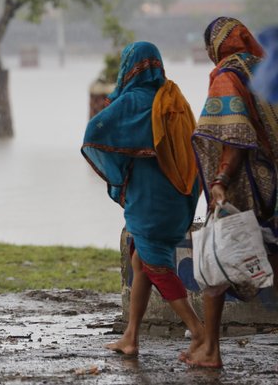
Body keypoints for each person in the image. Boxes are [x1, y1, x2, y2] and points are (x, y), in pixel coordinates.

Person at [82, 41, 203, 357]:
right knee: (140, 260)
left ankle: (200, 332)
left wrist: (122, 157)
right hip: (176, 195)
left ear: (129, 67)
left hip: (149, 199)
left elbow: (95, 131)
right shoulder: (173, 97)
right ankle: (131, 336)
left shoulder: (133, 101)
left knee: (156, 265)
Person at [187, 17, 278, 368]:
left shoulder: (227, 76)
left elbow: (234, 137)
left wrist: (220, 182)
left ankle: (210, 349)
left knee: (217, 259)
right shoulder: (267, 67)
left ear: (215, 46)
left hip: (254, 182)